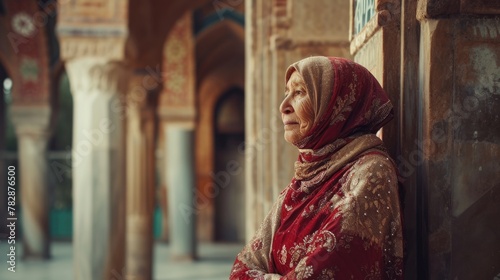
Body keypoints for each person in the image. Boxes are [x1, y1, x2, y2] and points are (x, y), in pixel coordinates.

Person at [229, 56, 404, 279]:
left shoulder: (371, 172)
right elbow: (243, 266)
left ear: (337, 103)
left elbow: (323, 271)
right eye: (286, 93)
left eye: (300, 92)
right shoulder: (306, 177)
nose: (283, 107)